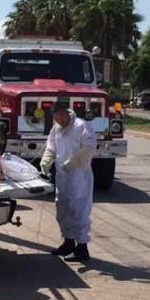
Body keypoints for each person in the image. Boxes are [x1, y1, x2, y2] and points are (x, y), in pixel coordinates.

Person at [40, 103, 97, 262]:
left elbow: (90, 147)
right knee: (63, 209)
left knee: (79, 211)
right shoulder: (56, 129)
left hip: (79, 177)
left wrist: (73, 162)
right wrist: (46, 161)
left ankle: (82, 249)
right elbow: (51, 148)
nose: (61, 121)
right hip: (63, 177)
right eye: (57, 119)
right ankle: (68, 243)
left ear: (67, 113)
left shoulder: (81, 126)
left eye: (62, 118)